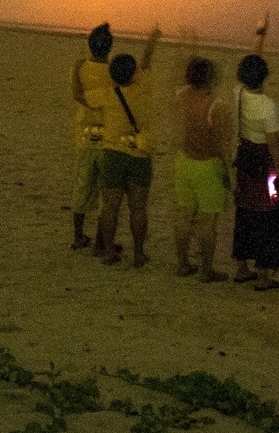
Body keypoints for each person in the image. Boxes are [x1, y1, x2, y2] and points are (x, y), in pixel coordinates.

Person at [230, 14, 279, 290]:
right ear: (265, 76)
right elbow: (274, 144)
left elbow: (251, 61)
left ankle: (241, 266)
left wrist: (260, 35)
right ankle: (265, 274)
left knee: (245, 210)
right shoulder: (267, 105)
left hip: (244, 157)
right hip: (264, 161)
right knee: (268, 214)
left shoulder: (238, 94)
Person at [96, 27, 160, 268]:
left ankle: (109, 251)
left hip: (112, 154)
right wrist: (152, 40)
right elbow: (146, 62)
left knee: (110, 207)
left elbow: (82, 97)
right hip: (139, 156)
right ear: (134, 73)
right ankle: (138, 253)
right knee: (138, 208)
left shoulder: (106, 94)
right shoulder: (143, 86)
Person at [173, 55, 230, 281]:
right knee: (208, 222)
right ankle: (206, 270)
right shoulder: (216, 106)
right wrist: (226, 172)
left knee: (185, 215)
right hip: (207, 165)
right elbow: (219, 144)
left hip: (184, 161)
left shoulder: (181, 97)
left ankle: (183, 264)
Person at [70, 22, 116, 251]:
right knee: (105, 192)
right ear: (109, 48)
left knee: (82, 185)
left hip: (85, 134)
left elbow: (76, 94)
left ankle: (78, 236)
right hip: (107, 136)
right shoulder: (113, 71)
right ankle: (100, 242)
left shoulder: (80, 66)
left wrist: (90, 102)